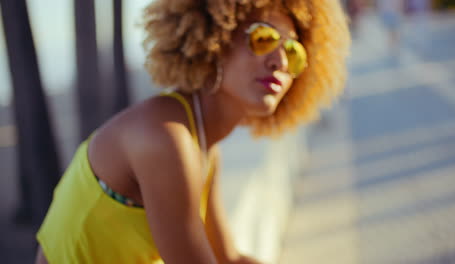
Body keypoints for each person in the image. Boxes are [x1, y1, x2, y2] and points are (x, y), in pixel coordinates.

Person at [35, 0, 350, 263]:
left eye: (295, 52)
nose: (280, 60)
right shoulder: (166, 137)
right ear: (214, 40)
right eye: (263, 38)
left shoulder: (205, 148)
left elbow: (227, 259)